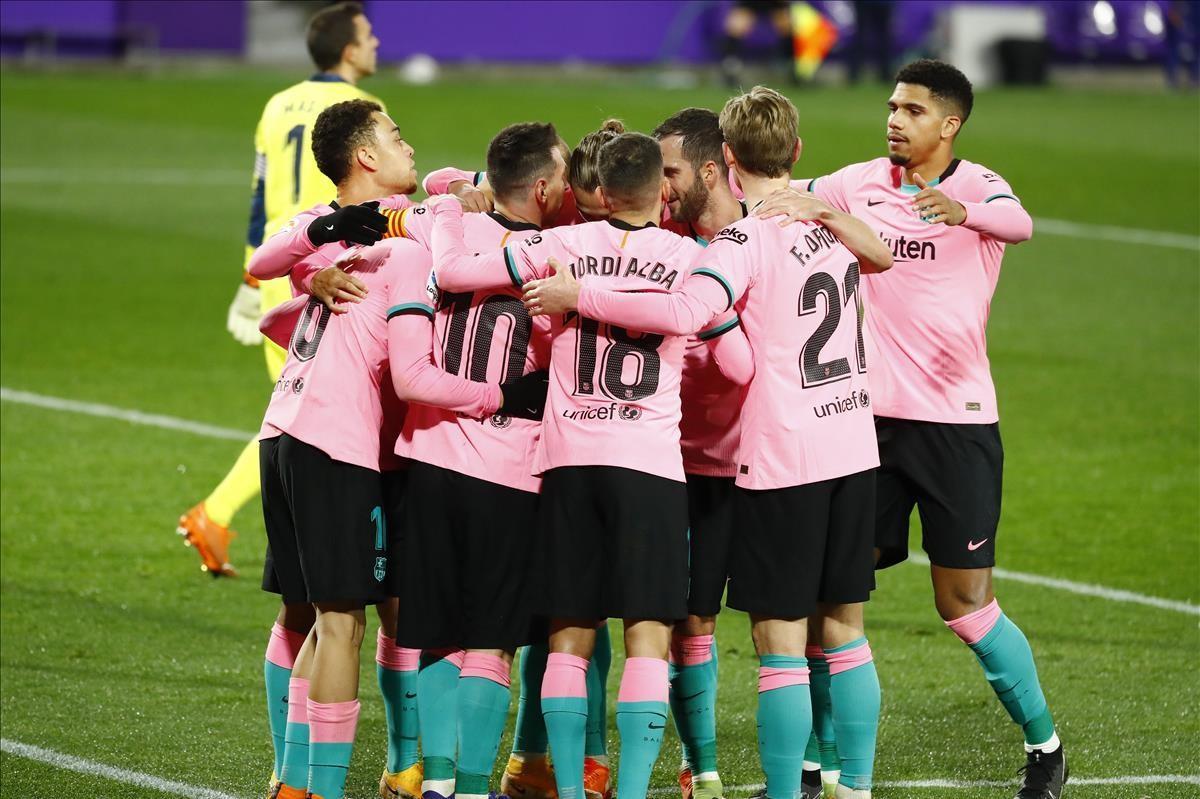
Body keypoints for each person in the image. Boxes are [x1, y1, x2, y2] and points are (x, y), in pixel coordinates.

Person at [521, 86, 893, 799]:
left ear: (721, 160)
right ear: (797, 153)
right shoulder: (828, 223)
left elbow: (692, 312)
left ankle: (784, 789)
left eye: (674, 172)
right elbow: (883, 257)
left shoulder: (738, 242)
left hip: (776, 457)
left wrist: (580, 297)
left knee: (778, 641)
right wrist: (829, 211)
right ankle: (839, 784)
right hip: (849, 446)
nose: (665, 186)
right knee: (840, 628)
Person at [429, 131, 754, 799]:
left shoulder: (560, 247)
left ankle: (571, 791)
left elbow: (456, 275)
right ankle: (631, 791)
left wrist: (445, 208)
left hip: (570, 463)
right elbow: (740, 364)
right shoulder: (693, 256)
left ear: (599, 194)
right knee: (647, 637)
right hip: (652, 467)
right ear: (662, 191)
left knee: (569, 634)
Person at [785, 58, 1065, 799]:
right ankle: (816, 763)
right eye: (891, 106)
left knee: (963, 602)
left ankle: (1045, 746)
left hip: (955, 426)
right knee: (828, 597)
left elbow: (1021, 223)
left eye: (912, 110)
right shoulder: (857, 181)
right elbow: (784, 195)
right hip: (863, 425)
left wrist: (960, 211)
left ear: (950, 124)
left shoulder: (978, 186)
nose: (894, 119)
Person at [176, 0, 383, 578]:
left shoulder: (277, 104)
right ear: (347, 49)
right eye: (367, 35)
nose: (376, 43)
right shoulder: (360, 110)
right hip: (329, 269)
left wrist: (250, 278)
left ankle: (228, 521)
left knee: (292, 406)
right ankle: (226, 519)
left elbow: (257, 196)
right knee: (301, 413)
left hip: (278, 262)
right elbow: (365, 193)